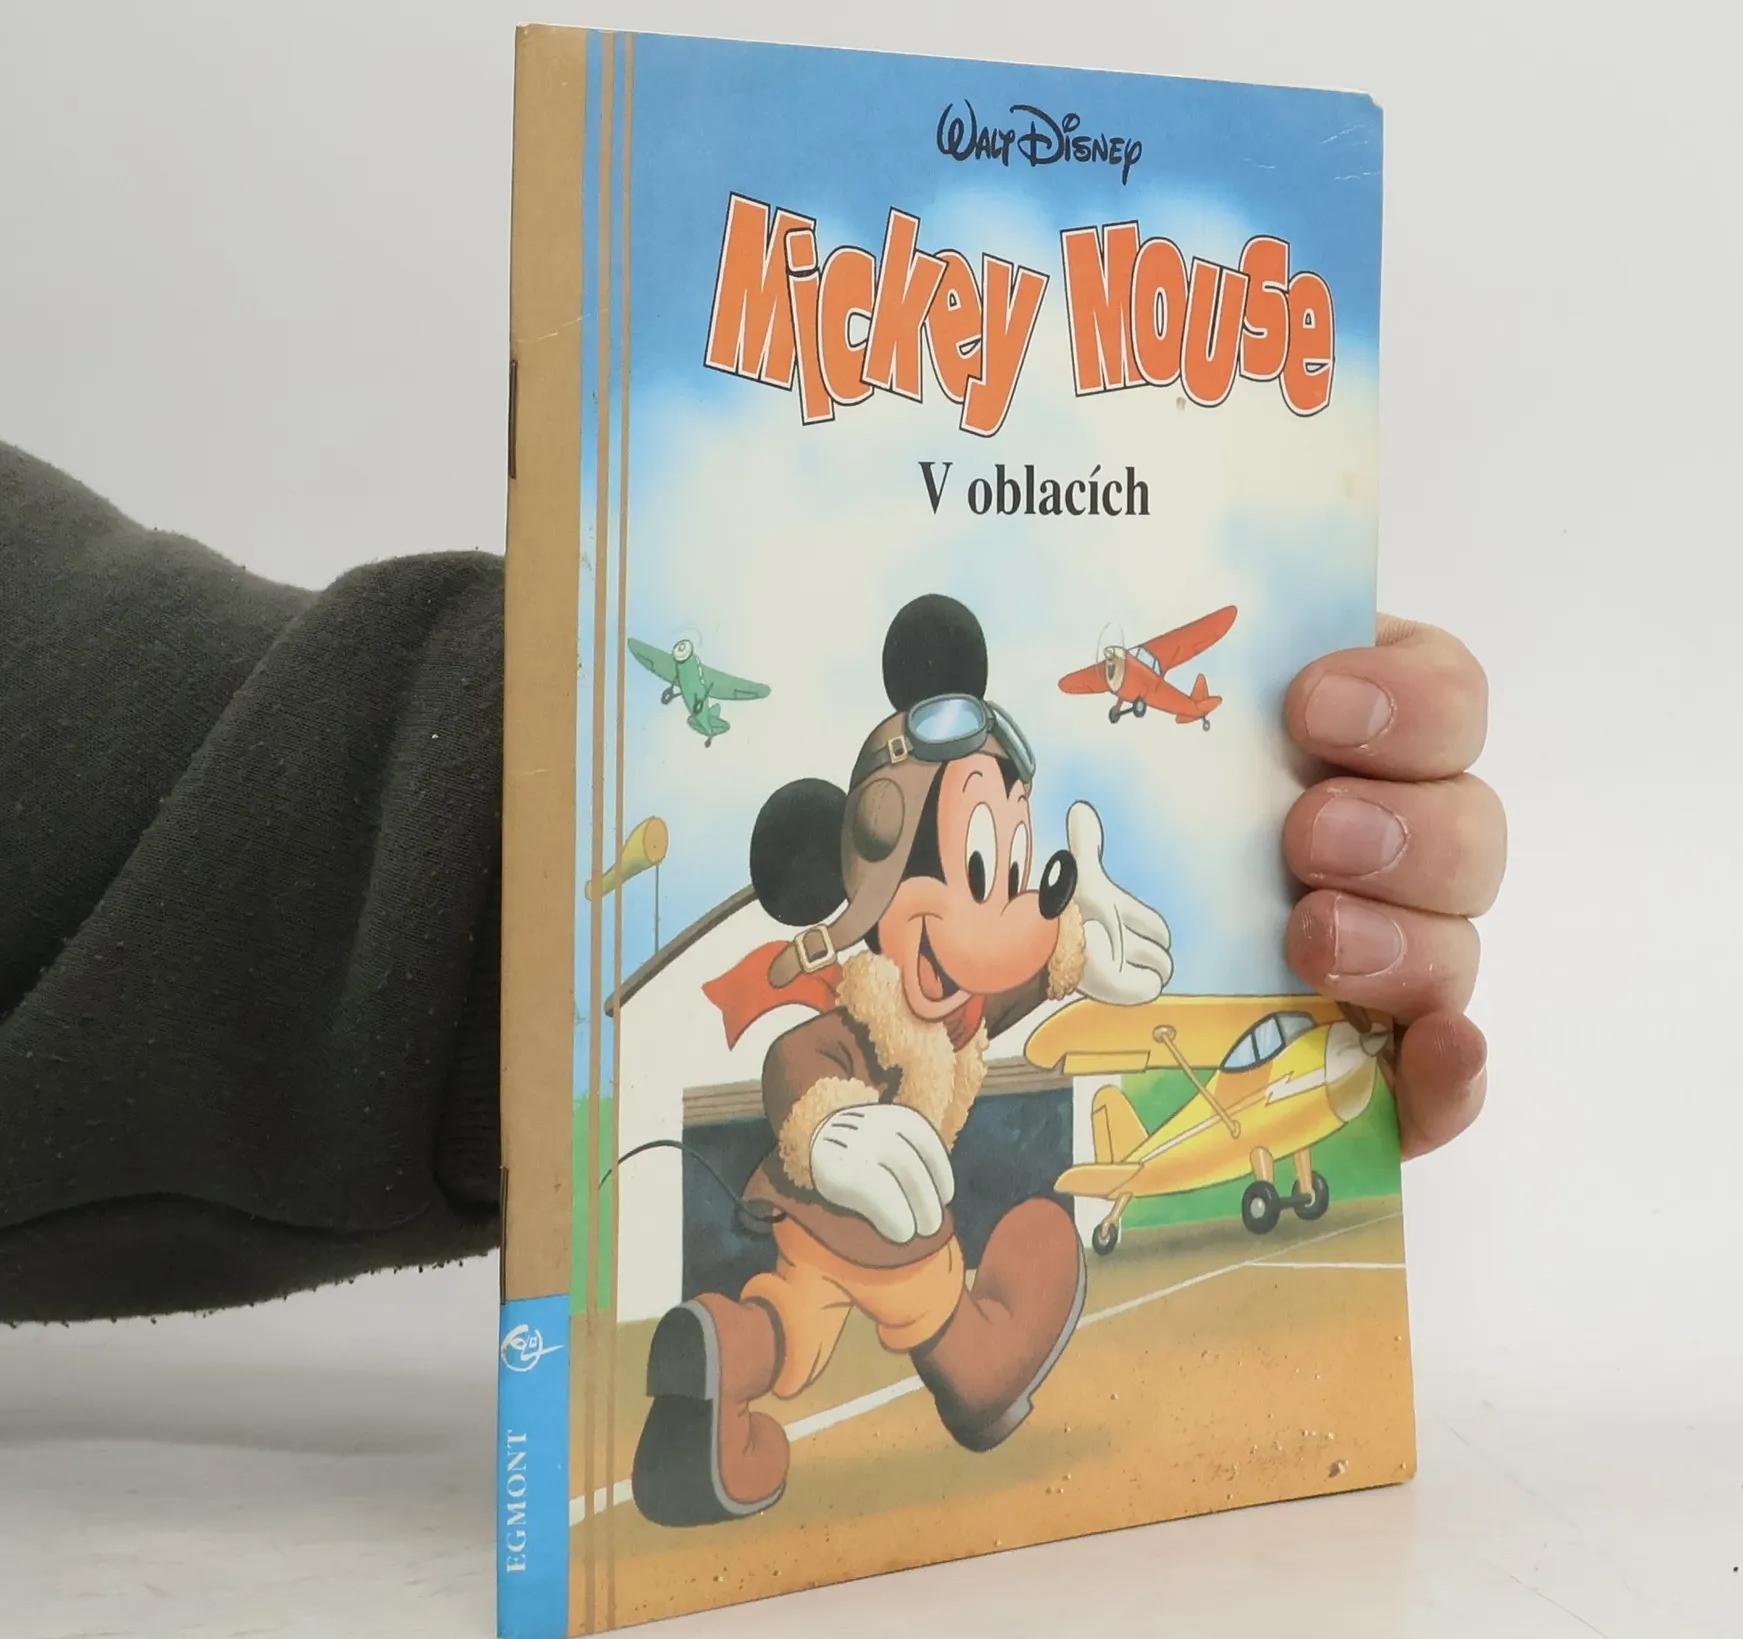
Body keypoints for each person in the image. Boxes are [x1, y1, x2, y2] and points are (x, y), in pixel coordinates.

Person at [0, 440, 1505, 1324]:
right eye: (979, 860)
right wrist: (825, 1117)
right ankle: (737, 1364)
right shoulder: (854, 1003)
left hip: (925, 1255)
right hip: (820, 1231)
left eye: (1015, 851)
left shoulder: (962, 968)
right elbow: (804, 1060)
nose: (1017, 885)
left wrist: (1124, 914)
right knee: (791, 1322)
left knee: (992, 1294)